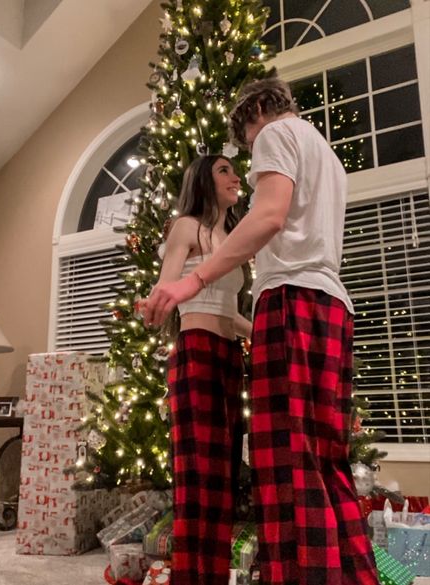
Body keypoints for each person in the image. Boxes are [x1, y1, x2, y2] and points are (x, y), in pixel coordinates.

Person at [142, 76, 379, 585]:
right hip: (332, 305)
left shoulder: (275, 134)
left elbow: (269, 215)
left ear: (253, 115)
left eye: (245, 147)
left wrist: (193, 281)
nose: (250, 155)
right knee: (325, 460)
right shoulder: (327, 155)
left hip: (292, 301)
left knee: (287, 465)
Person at [154, 155, 252, 585]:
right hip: (196, 352)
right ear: (203, 180)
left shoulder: (229, 237)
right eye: (225, 170)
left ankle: (212, 574)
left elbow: (230, 314)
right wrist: (155, 304)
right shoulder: (186, 227)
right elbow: (168, 286)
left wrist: (266, 332)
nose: (236, 177)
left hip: (230, 356)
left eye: (235, 170)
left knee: (223, 476)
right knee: (198, 476)